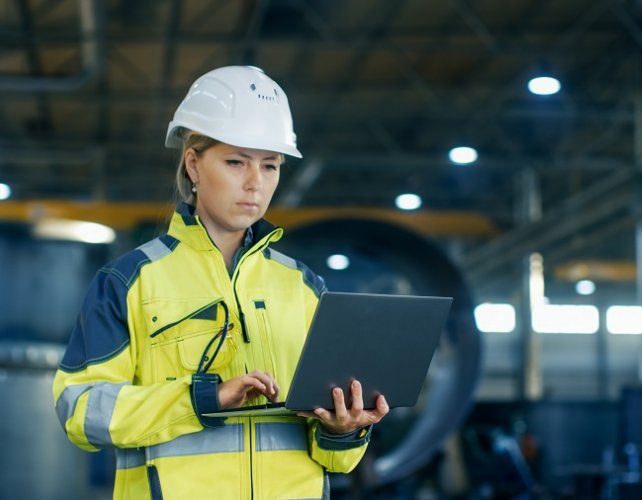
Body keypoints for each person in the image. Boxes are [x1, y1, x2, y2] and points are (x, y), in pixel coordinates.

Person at [52, 65, 390, 500]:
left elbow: (334, 460)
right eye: (236, 162)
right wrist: (199, 399)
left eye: (271, 166)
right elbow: (79, 412)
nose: (255, 183)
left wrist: (342, 431)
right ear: (193, 164)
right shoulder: (127, 282)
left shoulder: (305, 287)